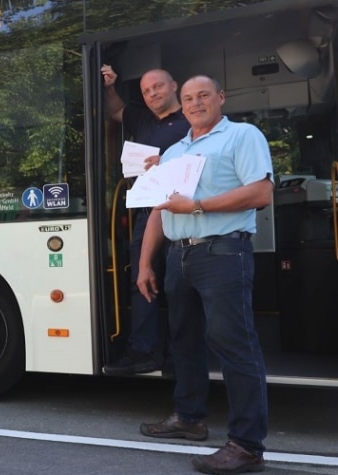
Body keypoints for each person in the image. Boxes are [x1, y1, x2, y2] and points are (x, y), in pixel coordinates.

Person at [136, 75, 272, 475]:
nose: (195, 104)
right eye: (190, 98)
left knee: (234, 345)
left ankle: (247, 445)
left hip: (223, 251)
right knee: (184, 342)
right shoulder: (175, 150)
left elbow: (261, 192)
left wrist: (197, 206)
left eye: (204, 96)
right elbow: (160, 209)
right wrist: (145, 263)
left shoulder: (242, 135)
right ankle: (190, 418)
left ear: (220, 98)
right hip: (180, 257)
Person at [101, 65, 189, 375]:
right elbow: (116, 112)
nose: (152, 94)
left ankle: (182, 355)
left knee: (180, 285)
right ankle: (144, 350)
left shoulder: (192, 120)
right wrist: (110, 87)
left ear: (174, 86)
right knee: (143, 281)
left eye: (158, 87)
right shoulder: (143, 118)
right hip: (146, 213)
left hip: (182, 213)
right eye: (146, 90)